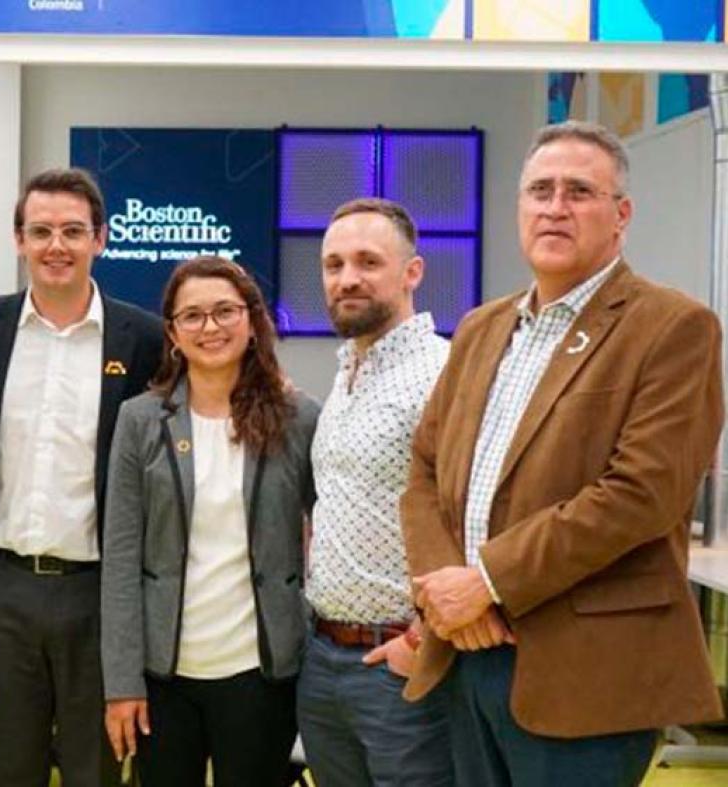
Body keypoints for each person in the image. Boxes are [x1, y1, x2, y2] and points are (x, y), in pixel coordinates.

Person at [402, 120, 725, 786]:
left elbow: (640, 495)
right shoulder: (481, 328)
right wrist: (451, 597)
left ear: (621, 214)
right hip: (467, 651)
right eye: (540, 190)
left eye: (580, 191)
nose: (555, 206)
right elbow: (424, 471)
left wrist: (486, 580)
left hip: (587, 675)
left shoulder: (672, 327)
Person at [0, 168, 164, 786]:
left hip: (100, 592)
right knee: (5, 770)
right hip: (1, 588)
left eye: (74, 231)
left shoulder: (145, 338)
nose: (57, 246)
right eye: (41, 230)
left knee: (94, 770)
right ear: (18, 239)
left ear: (101, 238)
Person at [101, 256, 318, 786]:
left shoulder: (300, 419)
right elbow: (122, 558)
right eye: (192, 316)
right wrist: (122, 684)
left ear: (251, 320)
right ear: (172, 332)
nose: (211, 327)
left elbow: (330, 533)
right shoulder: (140, 421)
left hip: (261, 671)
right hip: (163, 675)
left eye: (225, 311)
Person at [297, 198, 452, 786]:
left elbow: (476, 516)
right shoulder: (348, 371)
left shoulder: (444, 373)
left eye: (368, 262)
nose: (347, 279)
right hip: (325, 661)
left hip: (398, 664)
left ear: (412, 272)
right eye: (333, 265)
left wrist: (422, 640)